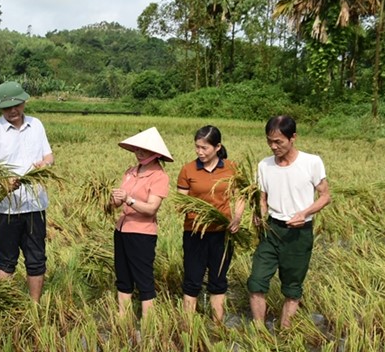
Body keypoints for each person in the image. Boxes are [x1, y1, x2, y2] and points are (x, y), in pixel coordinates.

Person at [247, 115, 331, 329]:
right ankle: (259, 332)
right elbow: (263, 198)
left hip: (299, 233)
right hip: (272, 230)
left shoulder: (311, 162)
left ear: (293, 137)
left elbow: (324, 196)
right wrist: (259, 214)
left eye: (278, 142)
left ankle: (285, 331)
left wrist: (304, 213)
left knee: (292, 288)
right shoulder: (264, 165)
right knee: (256, 281)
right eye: (269, 141)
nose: (273, 146)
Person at [0, 81, 54, 302]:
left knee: (36, 258)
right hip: (5, 208)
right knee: (6, 259)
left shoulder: (36, 125)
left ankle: (35, 305)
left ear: (24, 102)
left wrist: (46, 165)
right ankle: (5, 304)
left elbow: (49, 156)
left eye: (17, 105)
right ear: (0, 108)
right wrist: (3, 183)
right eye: (7, 107)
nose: (13, 111)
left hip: (34, 204)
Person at [176, 125, 244, 322]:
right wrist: (200, 213)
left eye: (204, 148)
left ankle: (217, 326)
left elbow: (241, 196)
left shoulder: (231, 168)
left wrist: (237, 218)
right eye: (197, 147)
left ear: (217, 147)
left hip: (222, 234)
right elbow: (181, 202)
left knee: (218, 281)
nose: (199, 152)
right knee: (192, 281)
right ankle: (189, 327)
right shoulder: (188, 169)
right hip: (195, 232)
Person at [111, 127, 172, 318]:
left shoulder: (159, 176)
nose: (138, 153)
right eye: (137, 149)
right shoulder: (130, 172)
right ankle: (123, 321)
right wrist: (113, 198)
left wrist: (129, 199)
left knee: (144, 280)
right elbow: (116, 203)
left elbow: (151, 208)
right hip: (121, 230)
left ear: (155, 153)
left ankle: (148, 326)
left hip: (142, 233)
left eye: (143, 150)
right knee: (123, 278)